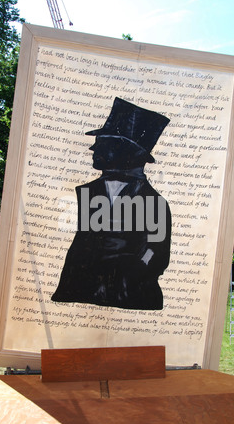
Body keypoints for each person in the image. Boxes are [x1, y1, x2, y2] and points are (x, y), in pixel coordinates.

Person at [52, 97, 172, 310]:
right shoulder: (88, 192)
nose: (93, 149)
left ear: (126, 151)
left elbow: (157, 252)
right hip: (79, 293)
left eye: (103, 143)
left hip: (130, 296)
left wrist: (129, 269)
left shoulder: (155, 203)